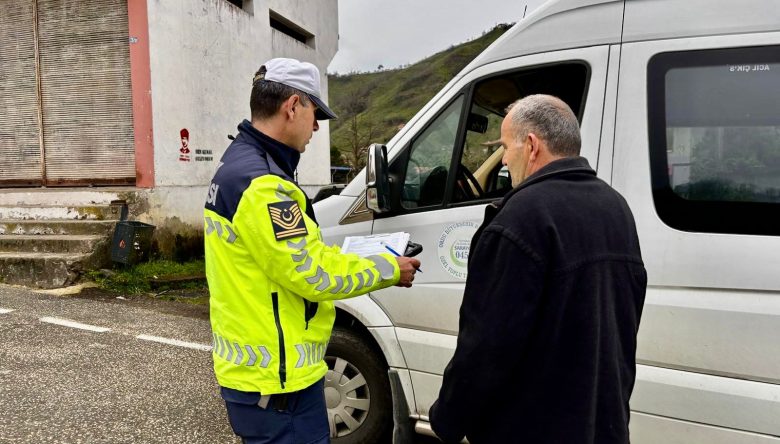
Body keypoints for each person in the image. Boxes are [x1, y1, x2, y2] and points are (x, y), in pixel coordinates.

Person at [204, 58, 420, 444]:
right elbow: (313, 274)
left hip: (261, 376)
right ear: (292, 106)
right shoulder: (265, 186)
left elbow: (302, 256)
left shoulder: (238, 167)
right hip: (277, 383)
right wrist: (390, 269)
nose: (317, 126)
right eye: (315, 113)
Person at [429, 94, 647, 443]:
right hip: (602, 423)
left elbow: (487, 345)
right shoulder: (615, 206)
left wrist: (448, 418)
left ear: (531, 146)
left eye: (504, 148)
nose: (503, 161)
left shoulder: (519, 219)